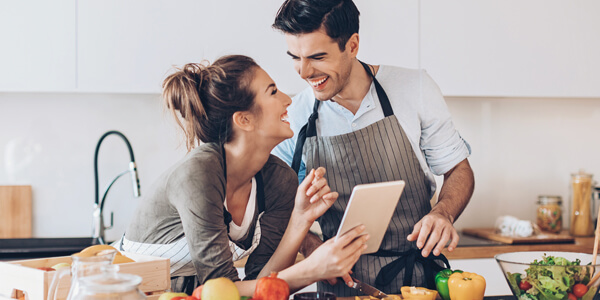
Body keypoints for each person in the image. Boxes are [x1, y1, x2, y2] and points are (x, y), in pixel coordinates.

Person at [271, 0, 475, 296]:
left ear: (352, 45)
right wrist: (311, 246)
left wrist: (443, 213)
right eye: (295, 57)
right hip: (339, 285)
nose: (303, 72)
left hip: (418, 281)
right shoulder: (297, 112)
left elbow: (458, 168)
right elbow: (276, 203)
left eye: (317, 57)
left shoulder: (413, 87)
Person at [118, 55, 368, 296]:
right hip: (127, 291)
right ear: (244, 119)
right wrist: (310, 270)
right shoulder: (199, 174)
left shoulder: (280, 180)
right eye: (272, 92)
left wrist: (300, 219)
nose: (287, 100)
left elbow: (261, 285)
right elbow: (221, 288)